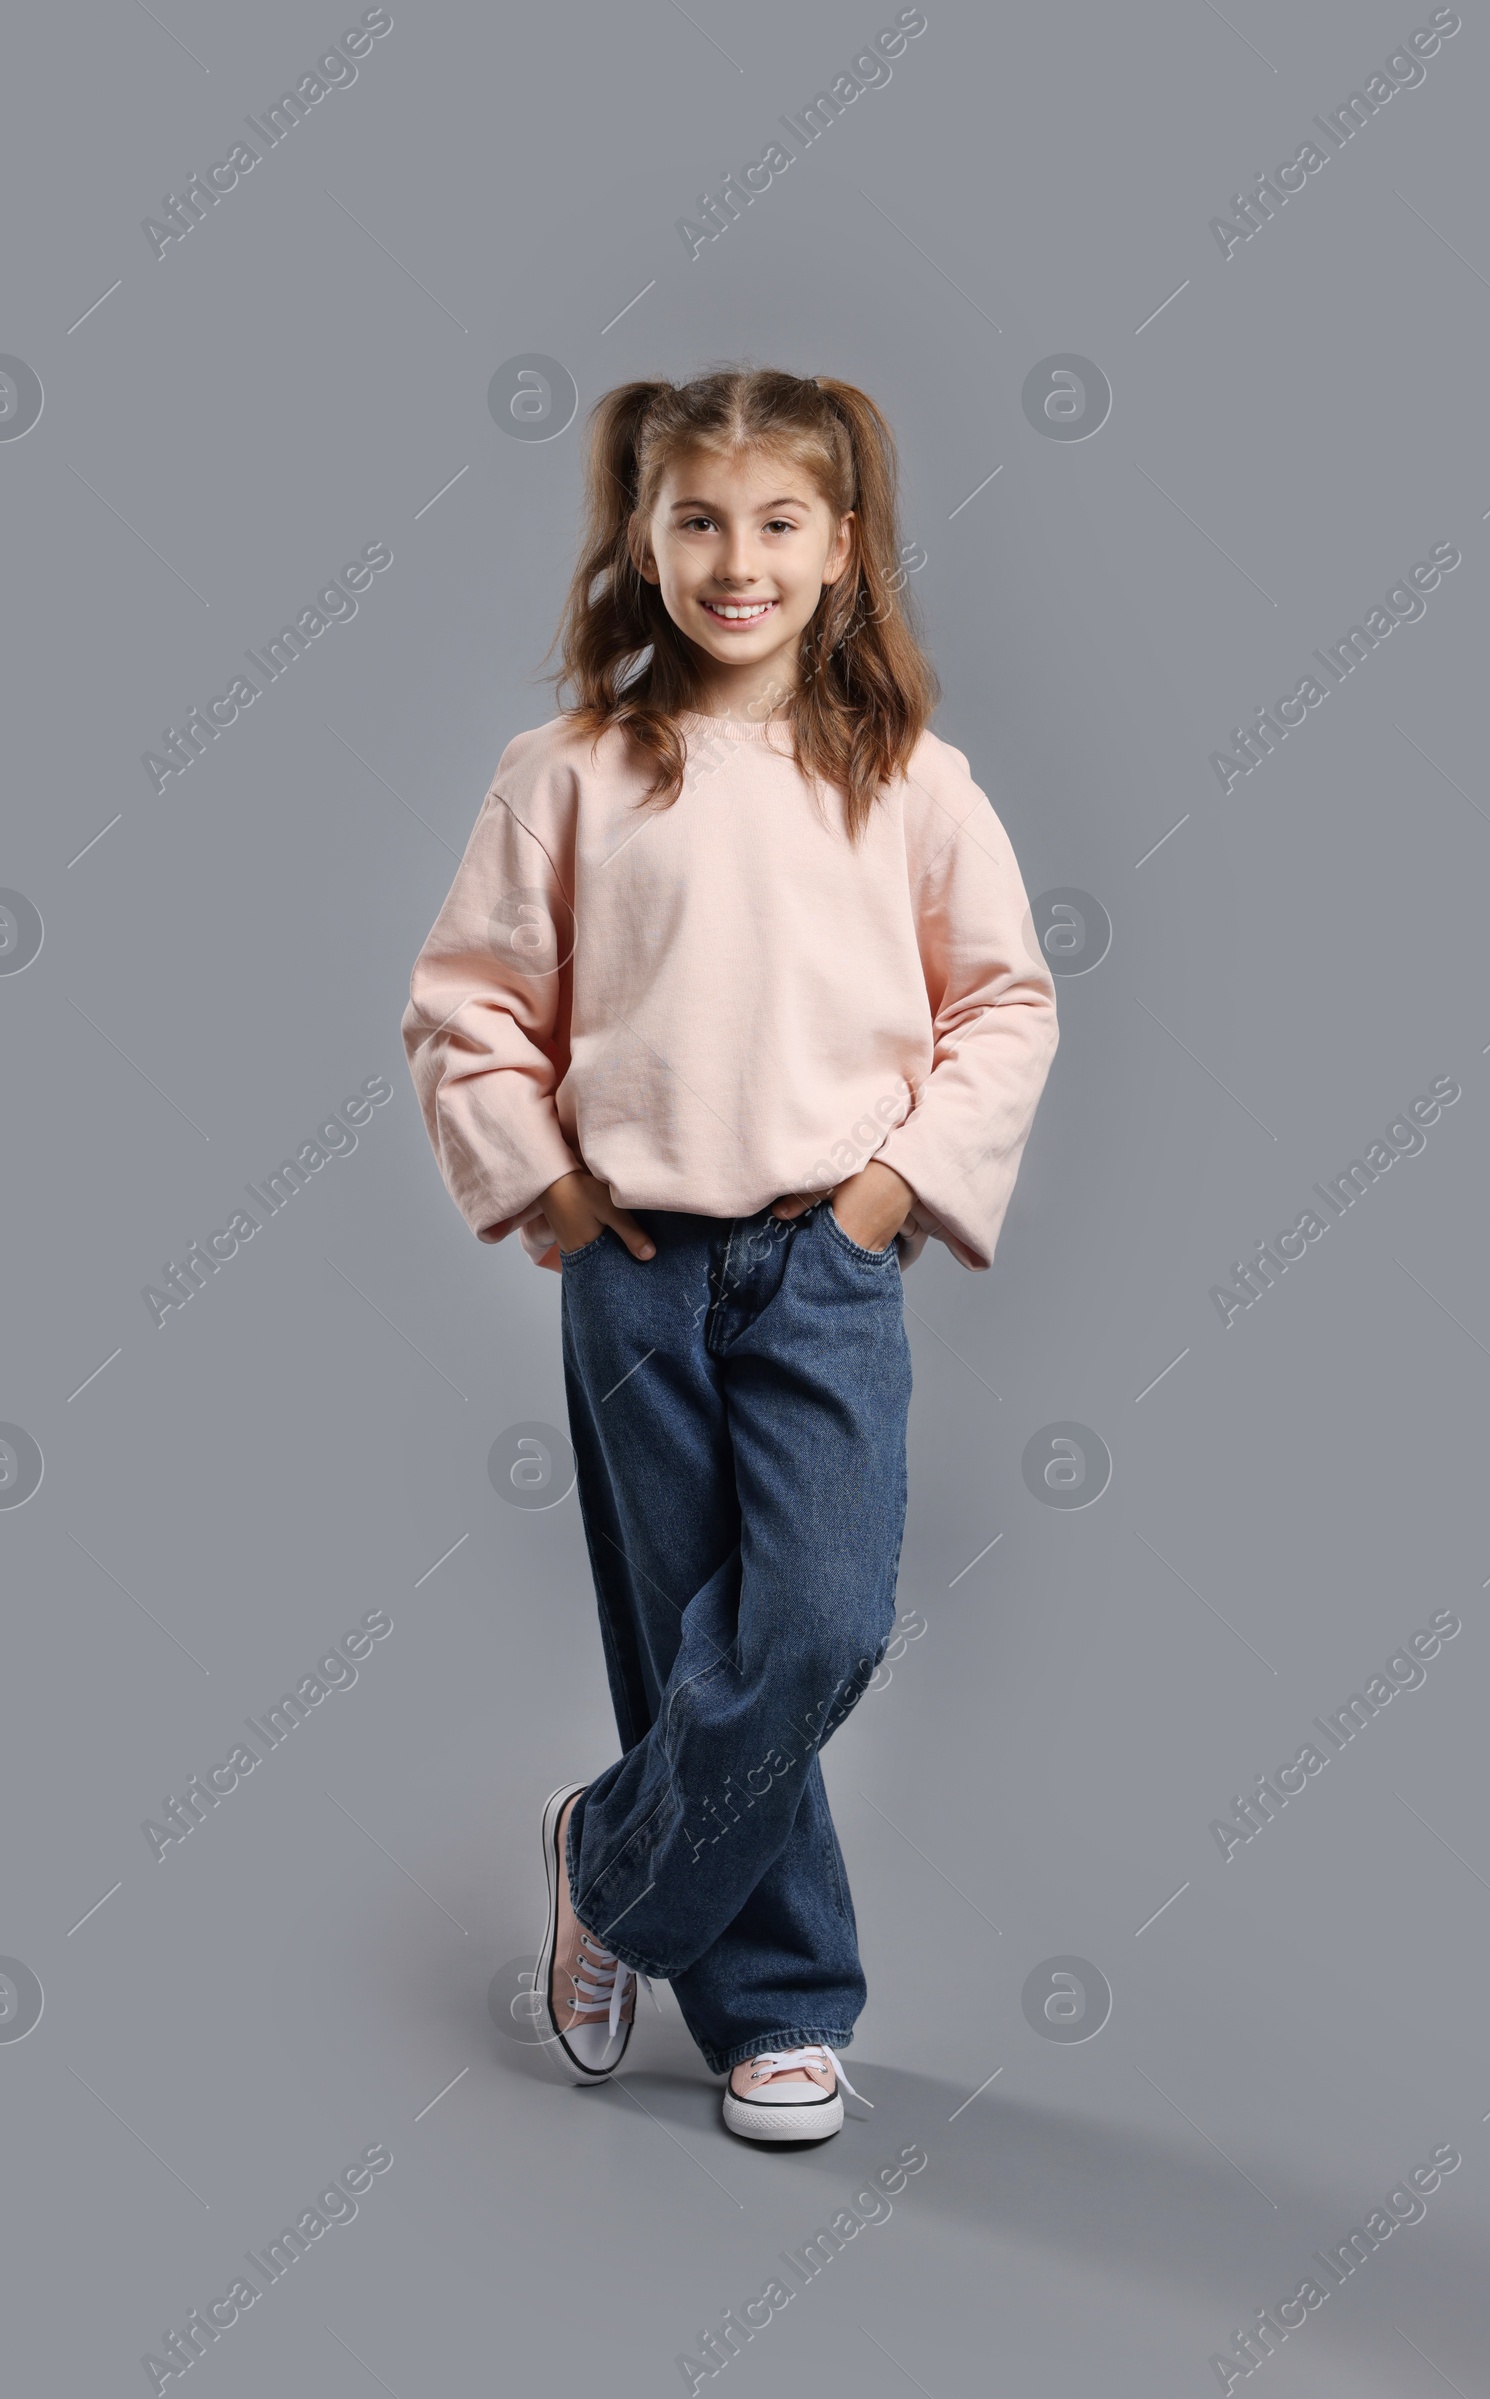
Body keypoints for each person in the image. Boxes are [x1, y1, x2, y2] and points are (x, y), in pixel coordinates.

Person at [401, 367, 1058, 2143]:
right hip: (637, 1266)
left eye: (778, 524)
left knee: (814, 1623)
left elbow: (1002, 1000)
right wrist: (542, 1186)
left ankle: (608, 1869)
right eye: (698, 520)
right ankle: (777, 2010)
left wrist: (888, 1193)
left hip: (826, 1261)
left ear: (844, 551)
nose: (736, 560)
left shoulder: (908, 779)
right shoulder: (570, 774)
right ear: (641, 533)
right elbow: (466, 1006)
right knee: (688, 1625)